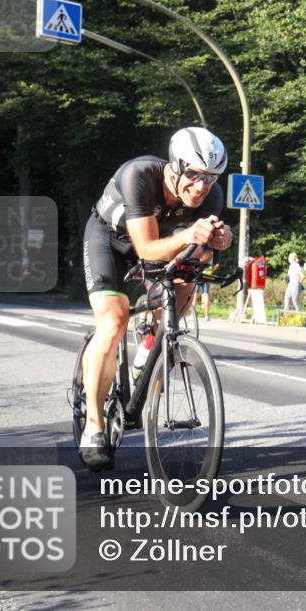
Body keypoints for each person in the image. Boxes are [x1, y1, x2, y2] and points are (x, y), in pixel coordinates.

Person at [80, 127, 233, 471]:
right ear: (175, 166)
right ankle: (93, 425)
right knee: (115, 319)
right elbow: (147, 249)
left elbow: (198, 254)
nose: (201, 187)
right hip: (109, 240)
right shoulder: (141, 175)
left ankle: (150, 348)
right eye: (192, 175)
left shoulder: (212, 196)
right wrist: (192, 235)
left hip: (157, 243)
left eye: (210, 178)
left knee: (184, 283)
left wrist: (217, 243)